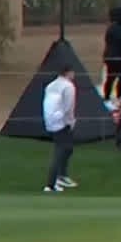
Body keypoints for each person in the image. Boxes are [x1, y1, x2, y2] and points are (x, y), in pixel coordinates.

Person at [42, 65, 78, 193]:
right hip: (61, 122)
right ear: (68, 73)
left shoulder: (51, 85)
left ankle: (62, 176)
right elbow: (68, 107)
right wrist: (71, 122)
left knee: (68, 148)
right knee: (60, 151)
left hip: (50, 121)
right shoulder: (68, 86)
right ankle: (51, 184)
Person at [101, 6, 121, 110]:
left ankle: (108, 98)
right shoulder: (117, 28)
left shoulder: (111, 27)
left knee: (112, 78)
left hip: (110, 57)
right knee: (119, 77)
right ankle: (115, 98)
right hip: (115, 57)